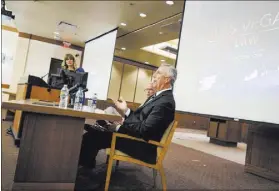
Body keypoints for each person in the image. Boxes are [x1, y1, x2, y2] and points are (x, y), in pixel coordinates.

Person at [78, 63, 177, 173]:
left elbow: (145, 130)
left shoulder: (165, 102)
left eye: (158, 73)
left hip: (143, 146)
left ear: (167, 79)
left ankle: (85, 173)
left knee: (93, 137)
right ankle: (86, 166)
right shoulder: (158, 98)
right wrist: (126, 110)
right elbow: (140, 120)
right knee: (95, 132)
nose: (154, 75)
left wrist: (118, 128)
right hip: (137, 138)